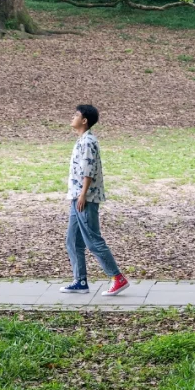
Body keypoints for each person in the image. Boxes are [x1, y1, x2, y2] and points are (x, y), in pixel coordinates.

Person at [61, 103, 129, 295]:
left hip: (86, 197)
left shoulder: (88, 142)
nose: (72, 117)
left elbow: (88, 170)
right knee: (73, 241)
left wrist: (83, 194)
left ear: (84, 121)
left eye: (76, 115)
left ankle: (117, 277)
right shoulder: (82, 140)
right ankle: (80, 281)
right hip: (76, 196)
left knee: (92, 240)